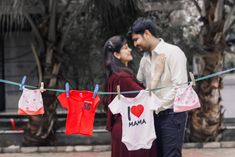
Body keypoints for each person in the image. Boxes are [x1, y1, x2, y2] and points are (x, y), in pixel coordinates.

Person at [127, 17, 188, 157]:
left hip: (172, 114)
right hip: (151, 116)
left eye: (136, 39)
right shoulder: (145, 59)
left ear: (147, 34)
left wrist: (157, 105)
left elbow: (180, 88)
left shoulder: (173, 52)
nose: (135, 44)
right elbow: (139, 84)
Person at [103, 35, 165, 157]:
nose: (130, 49)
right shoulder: (122, 77)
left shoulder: (115, 75)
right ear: (116, 55)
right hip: (132, 131)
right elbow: (147, 96)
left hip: (126, 130)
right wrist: (157, 72)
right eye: (125, 48)